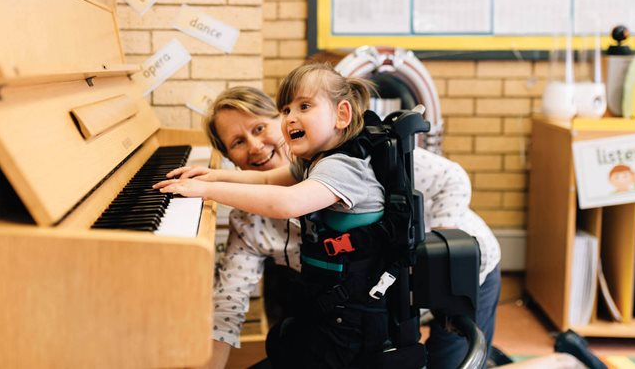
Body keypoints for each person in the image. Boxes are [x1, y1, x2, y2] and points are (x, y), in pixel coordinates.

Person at [159, 71, 501, 367]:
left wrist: (426, 257)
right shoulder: (297, 176)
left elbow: (453, 179)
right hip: (376, 301)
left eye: (261, 127)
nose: (256, 146)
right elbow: (265, 187)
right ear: (229, 156)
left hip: (456, 269)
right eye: (237, 142)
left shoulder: (355, 163)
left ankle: (552, 361)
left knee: (451, 360)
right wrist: (211, 179)